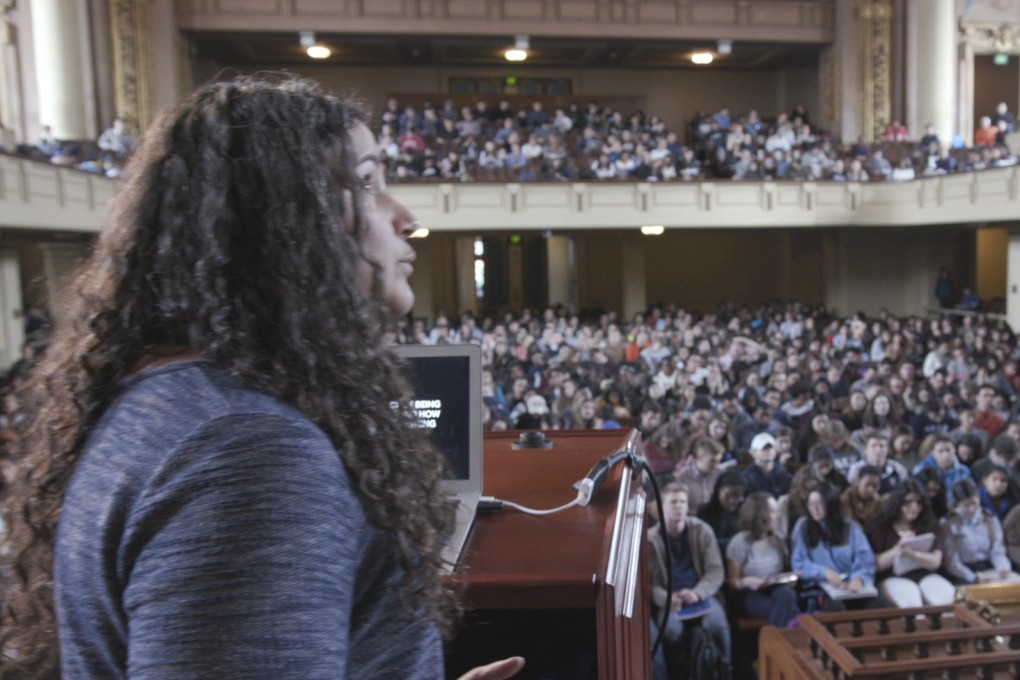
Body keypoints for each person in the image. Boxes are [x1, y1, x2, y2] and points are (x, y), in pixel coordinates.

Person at [0, 76, 523, 680]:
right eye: (367, 184)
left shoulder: (172, 398)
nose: (404, 217)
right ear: (286, 224)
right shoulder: (250, 452)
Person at [648, 482, 732, 676]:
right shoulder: (650, 540)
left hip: (700, 594)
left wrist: (698, 593)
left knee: (718, 625)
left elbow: (715, 570)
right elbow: (649, 585)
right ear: (662, 505)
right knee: (671, 631)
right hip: (671, 600)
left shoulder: (702, 531)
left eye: (683, 502)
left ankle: (725, 669)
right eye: (673, 502)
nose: (679, 506)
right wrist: (667, 598)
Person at [790, 483, 883, 611]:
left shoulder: (850, 527)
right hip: (819, 585)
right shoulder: (803, 526)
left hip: (849, 583)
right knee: (835, 608)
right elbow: (799, 563)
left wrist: (859, 579)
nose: (815, 508)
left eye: (820, 503)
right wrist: (824, 572)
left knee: (880, 605)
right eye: (811, 504)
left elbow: (865, 559)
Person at [865, 479, 954, 607]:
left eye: (918, 502)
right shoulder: (879, 526)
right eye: (908, 502)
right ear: (898, 503)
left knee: (947, 600)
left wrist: (912, 553)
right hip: (893, 578)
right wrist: (898, 549)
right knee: (912, 603)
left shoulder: (931, 525)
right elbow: (875, 564)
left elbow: (935, 561)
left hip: (926, 576)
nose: (914, 507)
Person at [725, 492, 800, 628]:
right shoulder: (740, 542)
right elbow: (733, 582)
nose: (778, 516)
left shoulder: (778, 540)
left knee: (787, 595)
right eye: (773, 512)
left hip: (773, 588)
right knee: (788, 610)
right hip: (748, 592)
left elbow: (785, 571)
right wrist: (746, 582)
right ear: (760, 515)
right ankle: (786, 642)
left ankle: (776, 646)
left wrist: (788, 579)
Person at [941, 478, 1020, 585]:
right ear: (957, 504)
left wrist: (1003, 567)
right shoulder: (949, 524)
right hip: (964, 573)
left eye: (974, 503)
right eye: (966, 505)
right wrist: (973, 577)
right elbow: (952, 562)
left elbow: (997, 551)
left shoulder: (989, 519)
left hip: (990, 568)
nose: (971, 509)